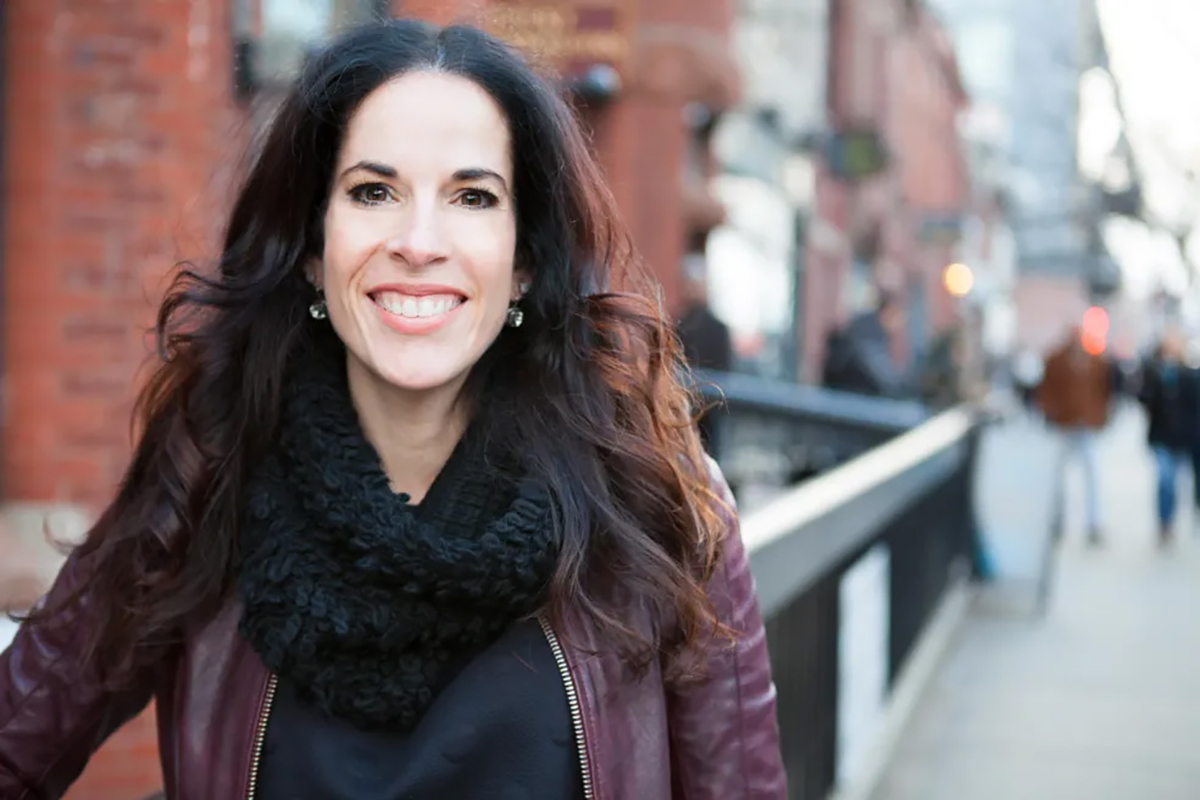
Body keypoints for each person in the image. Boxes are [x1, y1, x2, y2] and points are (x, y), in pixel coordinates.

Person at [0, 20, 785, 799]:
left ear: (523, 262)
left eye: (472, 197)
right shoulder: (211, 468)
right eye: (373, 192)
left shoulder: (655, 508)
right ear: (313, 247)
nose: (418, 241)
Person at [1036, 325, 1113, 545]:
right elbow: (1045, 390)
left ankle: (1093, 522)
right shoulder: (1056, 359)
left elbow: (1103, 390)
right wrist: (1050, 412)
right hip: (1064, 423)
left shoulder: (1095, 360)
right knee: (1060, 474)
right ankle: (1059, 521)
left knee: (1092, 472)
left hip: (1085, 423)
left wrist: (1101, 415)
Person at [1137, 329, 1198, 545]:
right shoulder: (1154, 372)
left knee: (1176, 483)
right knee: (1165, 479)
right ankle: (1164, 522)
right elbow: (1143, 399)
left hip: (1181, 438)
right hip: (1161, 436)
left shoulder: (1189, 374)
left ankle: (1171, 519)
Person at [676, 253, 733, 457]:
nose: (692, 288)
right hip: (682, 412)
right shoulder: (678, 325)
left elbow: (725, 370)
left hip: (707, 414)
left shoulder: (716, 328)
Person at [822, 291, 910, 398]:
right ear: (888, 312)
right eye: (898, 316)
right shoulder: (870, 333)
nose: (899, 323)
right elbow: (879, 372)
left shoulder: (870, 328)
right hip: (852, 394)